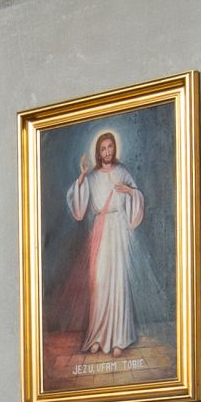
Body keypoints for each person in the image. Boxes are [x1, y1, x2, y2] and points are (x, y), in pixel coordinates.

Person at [66, 129, 146, 361]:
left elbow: (137, 196)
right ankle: (98, 337)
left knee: (117, 281)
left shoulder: (122, 172)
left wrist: (130, 191)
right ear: (98, 152)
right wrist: (82, 177)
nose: (107, 152)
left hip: (118, 229)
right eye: (103, 148)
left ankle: (119, 338)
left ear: (115, 149)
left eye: (110, 147)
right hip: (100, 231)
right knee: (99, 283)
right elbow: (79, 208)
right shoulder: (91, 177)